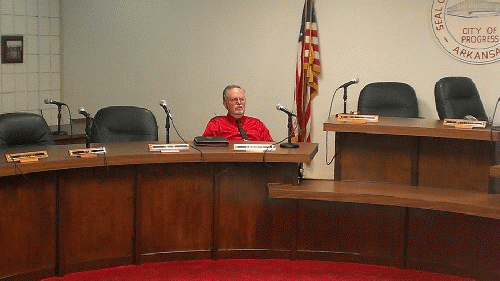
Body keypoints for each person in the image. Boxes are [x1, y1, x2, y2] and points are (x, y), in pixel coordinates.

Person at [202, 85, 273, 141]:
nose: (239, 103)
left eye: (242, 99)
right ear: (225, 104)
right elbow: (206, 148)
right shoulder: (216, 124)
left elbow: (272, 149)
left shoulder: (257, 124)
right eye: (234, 99)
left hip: (256, 158)